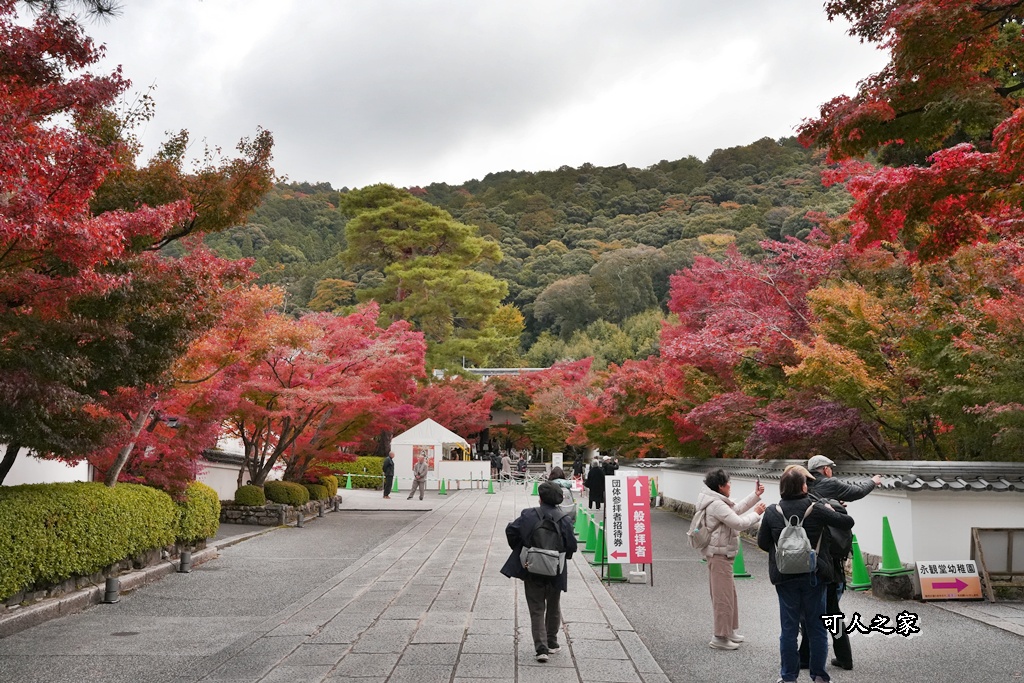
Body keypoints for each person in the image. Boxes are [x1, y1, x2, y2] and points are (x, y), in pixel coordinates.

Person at [758, 467, 855, 683]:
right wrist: (831, 508)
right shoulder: (817, 509)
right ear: (803, 486)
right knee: (817, 628)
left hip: (785, 577)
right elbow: (847, 523)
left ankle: (789, 677)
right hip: (815, 574)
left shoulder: (773, 512)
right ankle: (819, 675)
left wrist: (785, 551)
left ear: (782, 487)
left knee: (789, 629)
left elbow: (763, 543)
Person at [798, 455, 881, 671]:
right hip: (830, 557)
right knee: (831, 608)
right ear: (824, 470)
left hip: (807, 556)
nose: (831, 471)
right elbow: (857, 492)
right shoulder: (830, 485)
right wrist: (873, 481)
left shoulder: (801, 487)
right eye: (830, 468)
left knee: (812, 609)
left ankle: (806, 657)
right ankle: (843, 657)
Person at [500, 481, 578, 662]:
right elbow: (572, 546)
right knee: (553, 605)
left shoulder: (528, 515)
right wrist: (560, 556)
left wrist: (524, 550)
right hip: (555, 569)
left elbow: (511, 530)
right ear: (559, 500)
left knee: (536, 607)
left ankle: (541, 648)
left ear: (540, 498)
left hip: (532, 567)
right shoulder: (564, 519)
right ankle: (552, 642)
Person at [696, 468, 766, 650]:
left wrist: (755, 495)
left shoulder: (717, 500)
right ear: (721, 486)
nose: (730, 485)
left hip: (722, 554)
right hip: (719, 556)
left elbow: (735, 509)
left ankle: (729, 631)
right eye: (728, 482)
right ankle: (719, 637)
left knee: (729, 595)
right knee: (723, 597)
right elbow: (738, 522)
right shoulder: (716, 504)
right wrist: (757, 513)